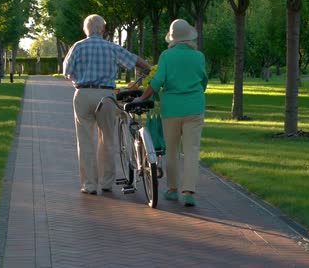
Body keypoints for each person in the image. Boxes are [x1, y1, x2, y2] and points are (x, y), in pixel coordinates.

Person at [63, 14, 151, 195]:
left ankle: (89, 185)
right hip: (106, 95)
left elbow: (67, 71)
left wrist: (78, 79)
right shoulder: (111, 47)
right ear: (103, 29)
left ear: (85, 29)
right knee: (108, 139)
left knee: (85, 141)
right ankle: (106, 182)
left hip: (83, 93)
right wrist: (148, 68)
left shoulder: (77, 47)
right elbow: (135, 60)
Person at [135, 19, 208, 206]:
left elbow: (157, 81)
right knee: (192, 150)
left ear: (172, 38)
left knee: (172, 150)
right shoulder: (198, 56)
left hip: (172, 109)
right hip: (194, 107)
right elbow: (203, 81)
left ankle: (173, 189)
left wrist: (142, 98)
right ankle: (189, 191)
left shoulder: (167, 56)